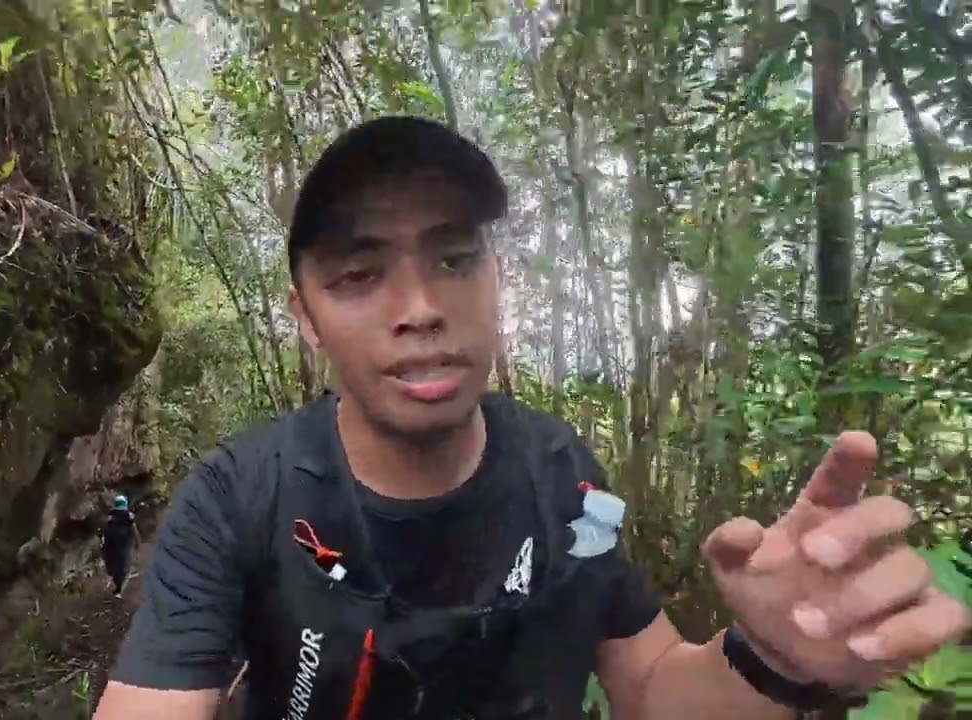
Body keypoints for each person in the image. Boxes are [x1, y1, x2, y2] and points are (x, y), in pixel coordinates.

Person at [93, 116, 970, 720]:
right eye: (358, 275)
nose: (419, 307)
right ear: (305, 314)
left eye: (452, 257)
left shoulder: (563, 471)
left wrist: (773, 661)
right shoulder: (240, 494)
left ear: (497, 279)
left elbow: (655, 687)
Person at [101, 495, 138, 598]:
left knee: (114, 569)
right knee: (125, 568)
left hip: (113, 547)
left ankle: (118, 588)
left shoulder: (111, 518)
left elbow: (106, 534)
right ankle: (120, 589)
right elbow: (135, 535)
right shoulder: (129, 518)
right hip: (126, 547)